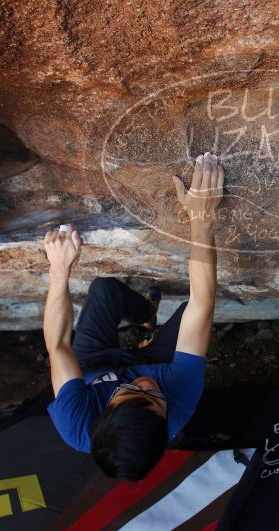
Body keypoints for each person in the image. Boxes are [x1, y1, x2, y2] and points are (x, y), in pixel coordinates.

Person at [42, 152, 224, 481]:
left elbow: (57, 345)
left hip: (94, 365)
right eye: (154, 397)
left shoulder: (76, 422)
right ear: (165, 420)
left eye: (130, 393)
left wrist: (59, 270)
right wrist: (201, 217)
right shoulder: (180, 398)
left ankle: (145, 318)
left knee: (105, 290)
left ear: (104, 412)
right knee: (194, 312)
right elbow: (203, 302)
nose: (144, 385)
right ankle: (146, 331)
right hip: (158, 361)